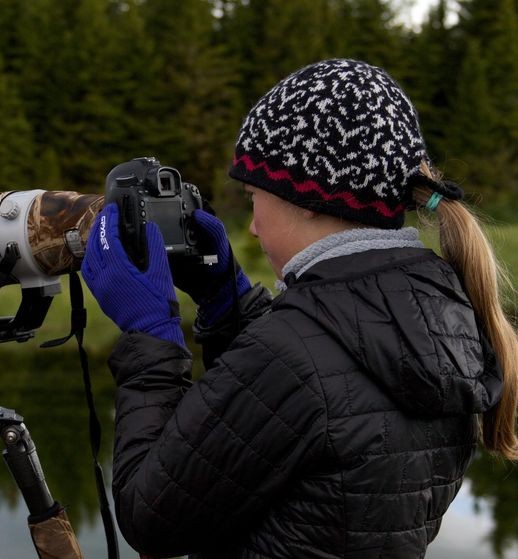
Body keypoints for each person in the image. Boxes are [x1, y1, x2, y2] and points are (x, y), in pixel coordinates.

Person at [80, 59, 518, 558]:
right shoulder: (443, 316)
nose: (253, 228)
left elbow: (149, 517)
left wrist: (151, 334)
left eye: (253, 198)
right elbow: (310, 412)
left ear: (308, 198)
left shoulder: (294, 354)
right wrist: (230, 302)